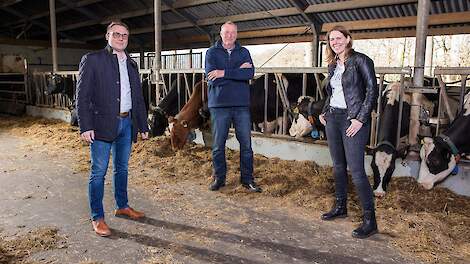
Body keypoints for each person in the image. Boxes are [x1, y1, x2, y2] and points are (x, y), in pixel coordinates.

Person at [76, 21, 149, 237]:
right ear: (108, 36)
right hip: (101, 126)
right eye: (116, 34)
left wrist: (143, 125)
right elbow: (82, 96)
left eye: (125, 35)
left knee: (122, 168)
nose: (121, 37)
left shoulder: (132, 64)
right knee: (98, 172)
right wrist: (85, 125)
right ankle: (97, 217)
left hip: (127, 124)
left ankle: (122, 206)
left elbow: (138, 97)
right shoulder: (93, 60)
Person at [318, 25, 379, 239]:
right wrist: (325, 111)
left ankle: (370, 221)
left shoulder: (362, 60)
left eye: (338, 38)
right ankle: (340, 206)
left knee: (357, 170)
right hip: (334, 118)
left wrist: (360, 119)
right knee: (337, 166)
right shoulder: (333, 65)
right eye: (331, 40)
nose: (335, 42)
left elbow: (372, 91)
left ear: (348, 38)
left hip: (353, 120)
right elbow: (333, 92)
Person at [204, 21, 261, 193]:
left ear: (237, 34)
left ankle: (248, 180)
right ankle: (219, 179)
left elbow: (250, 73)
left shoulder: (244, 52)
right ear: (220, 34)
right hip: (219, 105)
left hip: (241, 105)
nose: (230, 35)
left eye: (233, 32)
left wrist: (224, 72)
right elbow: (212, 77)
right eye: (226, 32)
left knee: (246, 145)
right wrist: (237, 72)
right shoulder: (211, 53)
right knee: (218, 145)